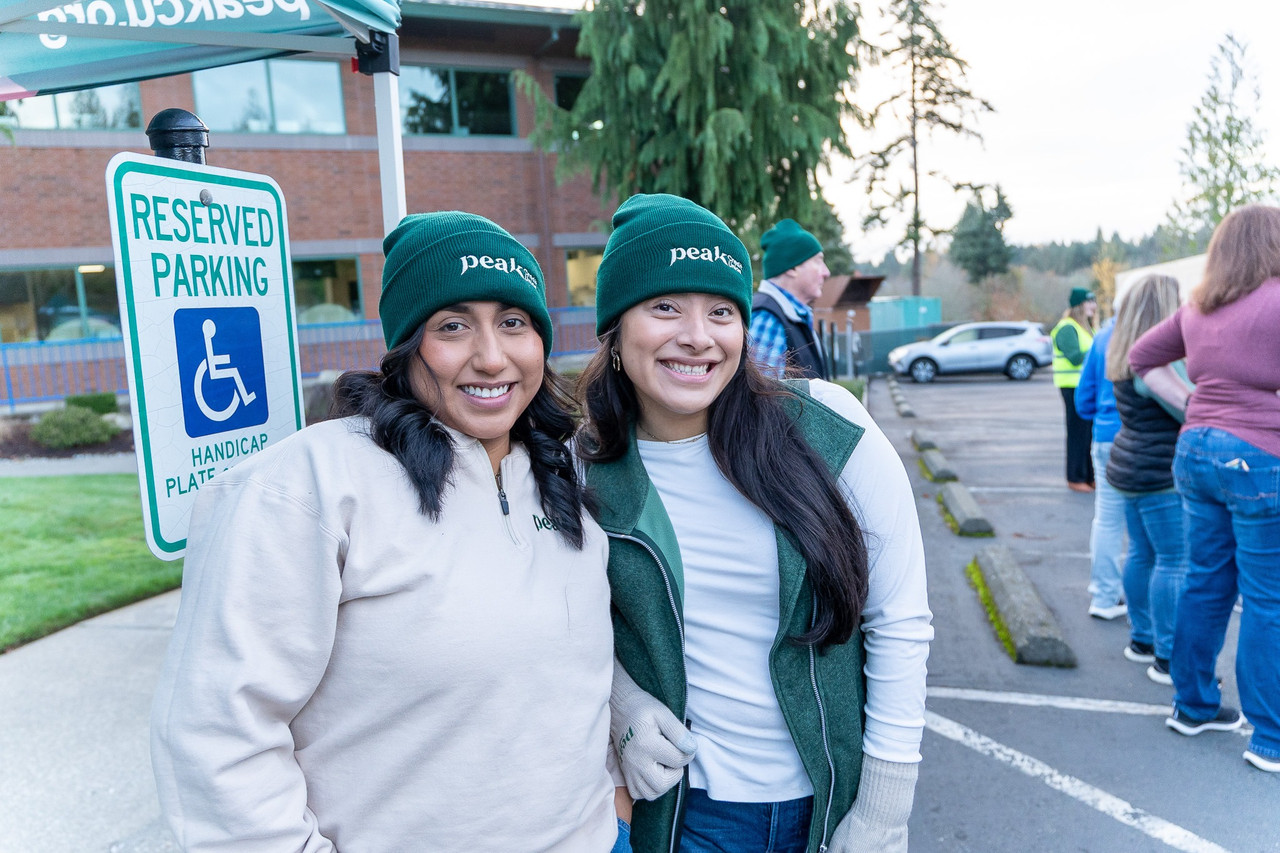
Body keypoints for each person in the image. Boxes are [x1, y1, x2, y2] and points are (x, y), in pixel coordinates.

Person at [150, 212, 627, 850]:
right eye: (453, 325)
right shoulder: (307, 486)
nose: (492, 357)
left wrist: (619, 751)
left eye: (514, 323)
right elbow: (217, 737)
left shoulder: (560, 470)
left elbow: (556, 662)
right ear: (406, 346)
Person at [580, 194, 933, 853]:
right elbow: (561, 626)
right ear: (616, 332)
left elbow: (900, 619)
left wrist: (884, 811)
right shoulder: (583, 473)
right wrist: (624, 706)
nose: (699, 335)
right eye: (665, 307)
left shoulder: (828, 428)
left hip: (831, 807)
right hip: (687, 816)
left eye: (721, 311)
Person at [1129, 204, 1280, 775]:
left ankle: (1192, 705)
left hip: (1195, 451)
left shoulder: (1198, 307)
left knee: (1206, 581)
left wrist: (1191, 401)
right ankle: (1270, 738)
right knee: (1267, 598)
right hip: (1257, 458)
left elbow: (1141, 358)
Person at [1103, 275, 1188, 685]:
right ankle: (1167, 656)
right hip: (1160, 471)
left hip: (1129, 466)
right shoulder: (1159, 363)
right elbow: (1190, 408)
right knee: (1173, 560)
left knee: (1141, 553)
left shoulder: (1121, 352)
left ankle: (1142, 639)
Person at [1074, 311, 1128, 621]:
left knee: (1107, 521)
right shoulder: (1158, 333)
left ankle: (1104, 596)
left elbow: (1083, 400)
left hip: (1106, 437)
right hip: (1146, 442)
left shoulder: (1103, 337)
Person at [748, 218, 832, 379]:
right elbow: (758, 392)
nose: (826, 272)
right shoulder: (769, 317)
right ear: (792, 267)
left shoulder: (792, 315)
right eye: (818, 261)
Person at [1051, 286, 1099, 491]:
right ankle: (1076, 477)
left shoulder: (1086, 328)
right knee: (1078, 433)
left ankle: (1089, 476)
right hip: (1072, 387)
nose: (1094, 306)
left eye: (1094, 301)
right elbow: (1074, 357)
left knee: (1088, 433)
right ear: (1079, 305)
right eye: (1089, 302)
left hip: (1086, 386)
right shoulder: (1067, 328)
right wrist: (1099, 351)